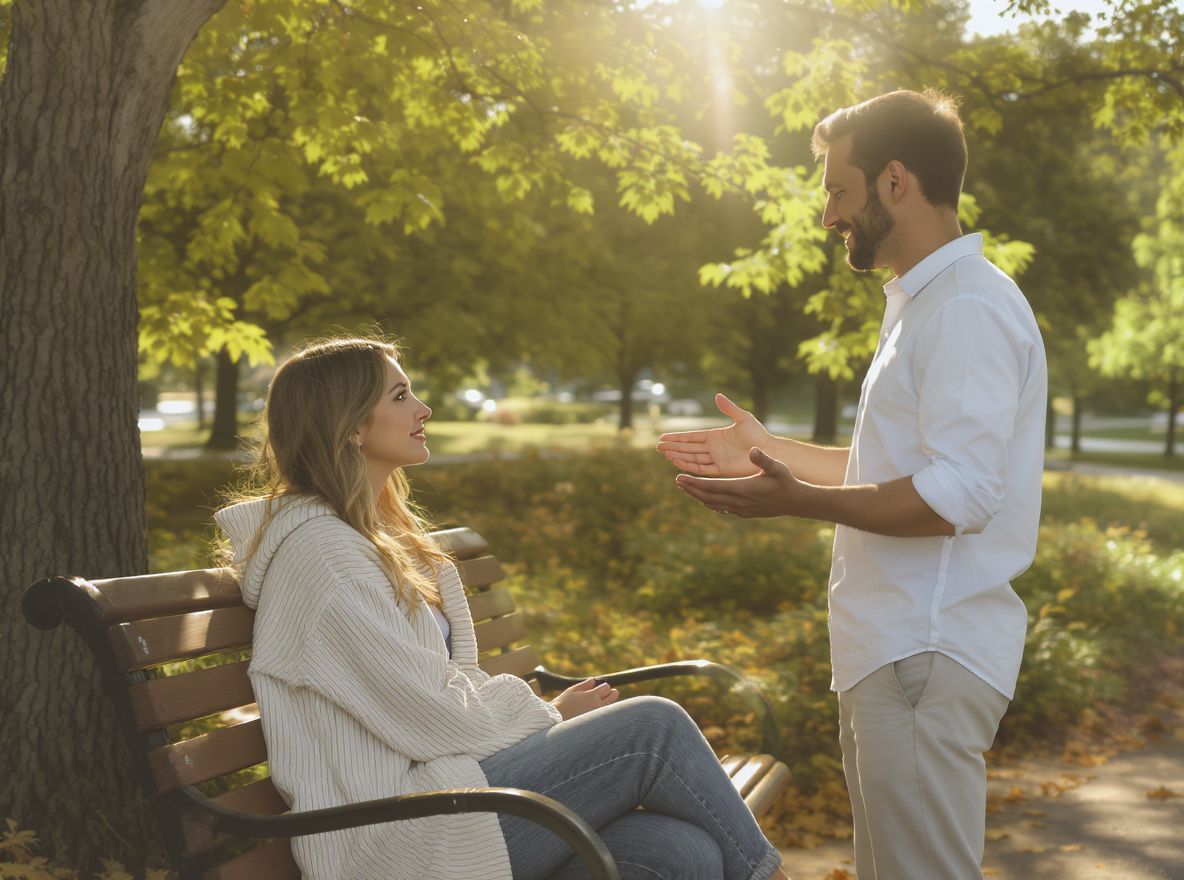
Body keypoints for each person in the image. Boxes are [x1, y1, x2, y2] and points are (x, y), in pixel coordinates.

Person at [214, 335, 787, 880]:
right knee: (652, 729)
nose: (424, 408)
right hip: (391, 836)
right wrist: (549, 712)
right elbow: (430, 715)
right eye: (400, 396)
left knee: (679, 851)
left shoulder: (369, 538)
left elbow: (434, 696)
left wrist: (538, 718)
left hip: (444, 793)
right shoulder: (321, 557)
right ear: (353, 426)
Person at [657, 89, 1047, 880]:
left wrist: (797, 500)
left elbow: (959, 496)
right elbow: (900, 473)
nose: (829, 214)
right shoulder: (923, 303)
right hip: (895, 654)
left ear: (894, 182)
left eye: (839, 190)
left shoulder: (966, 309)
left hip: (923, 652)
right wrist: (776, 455)